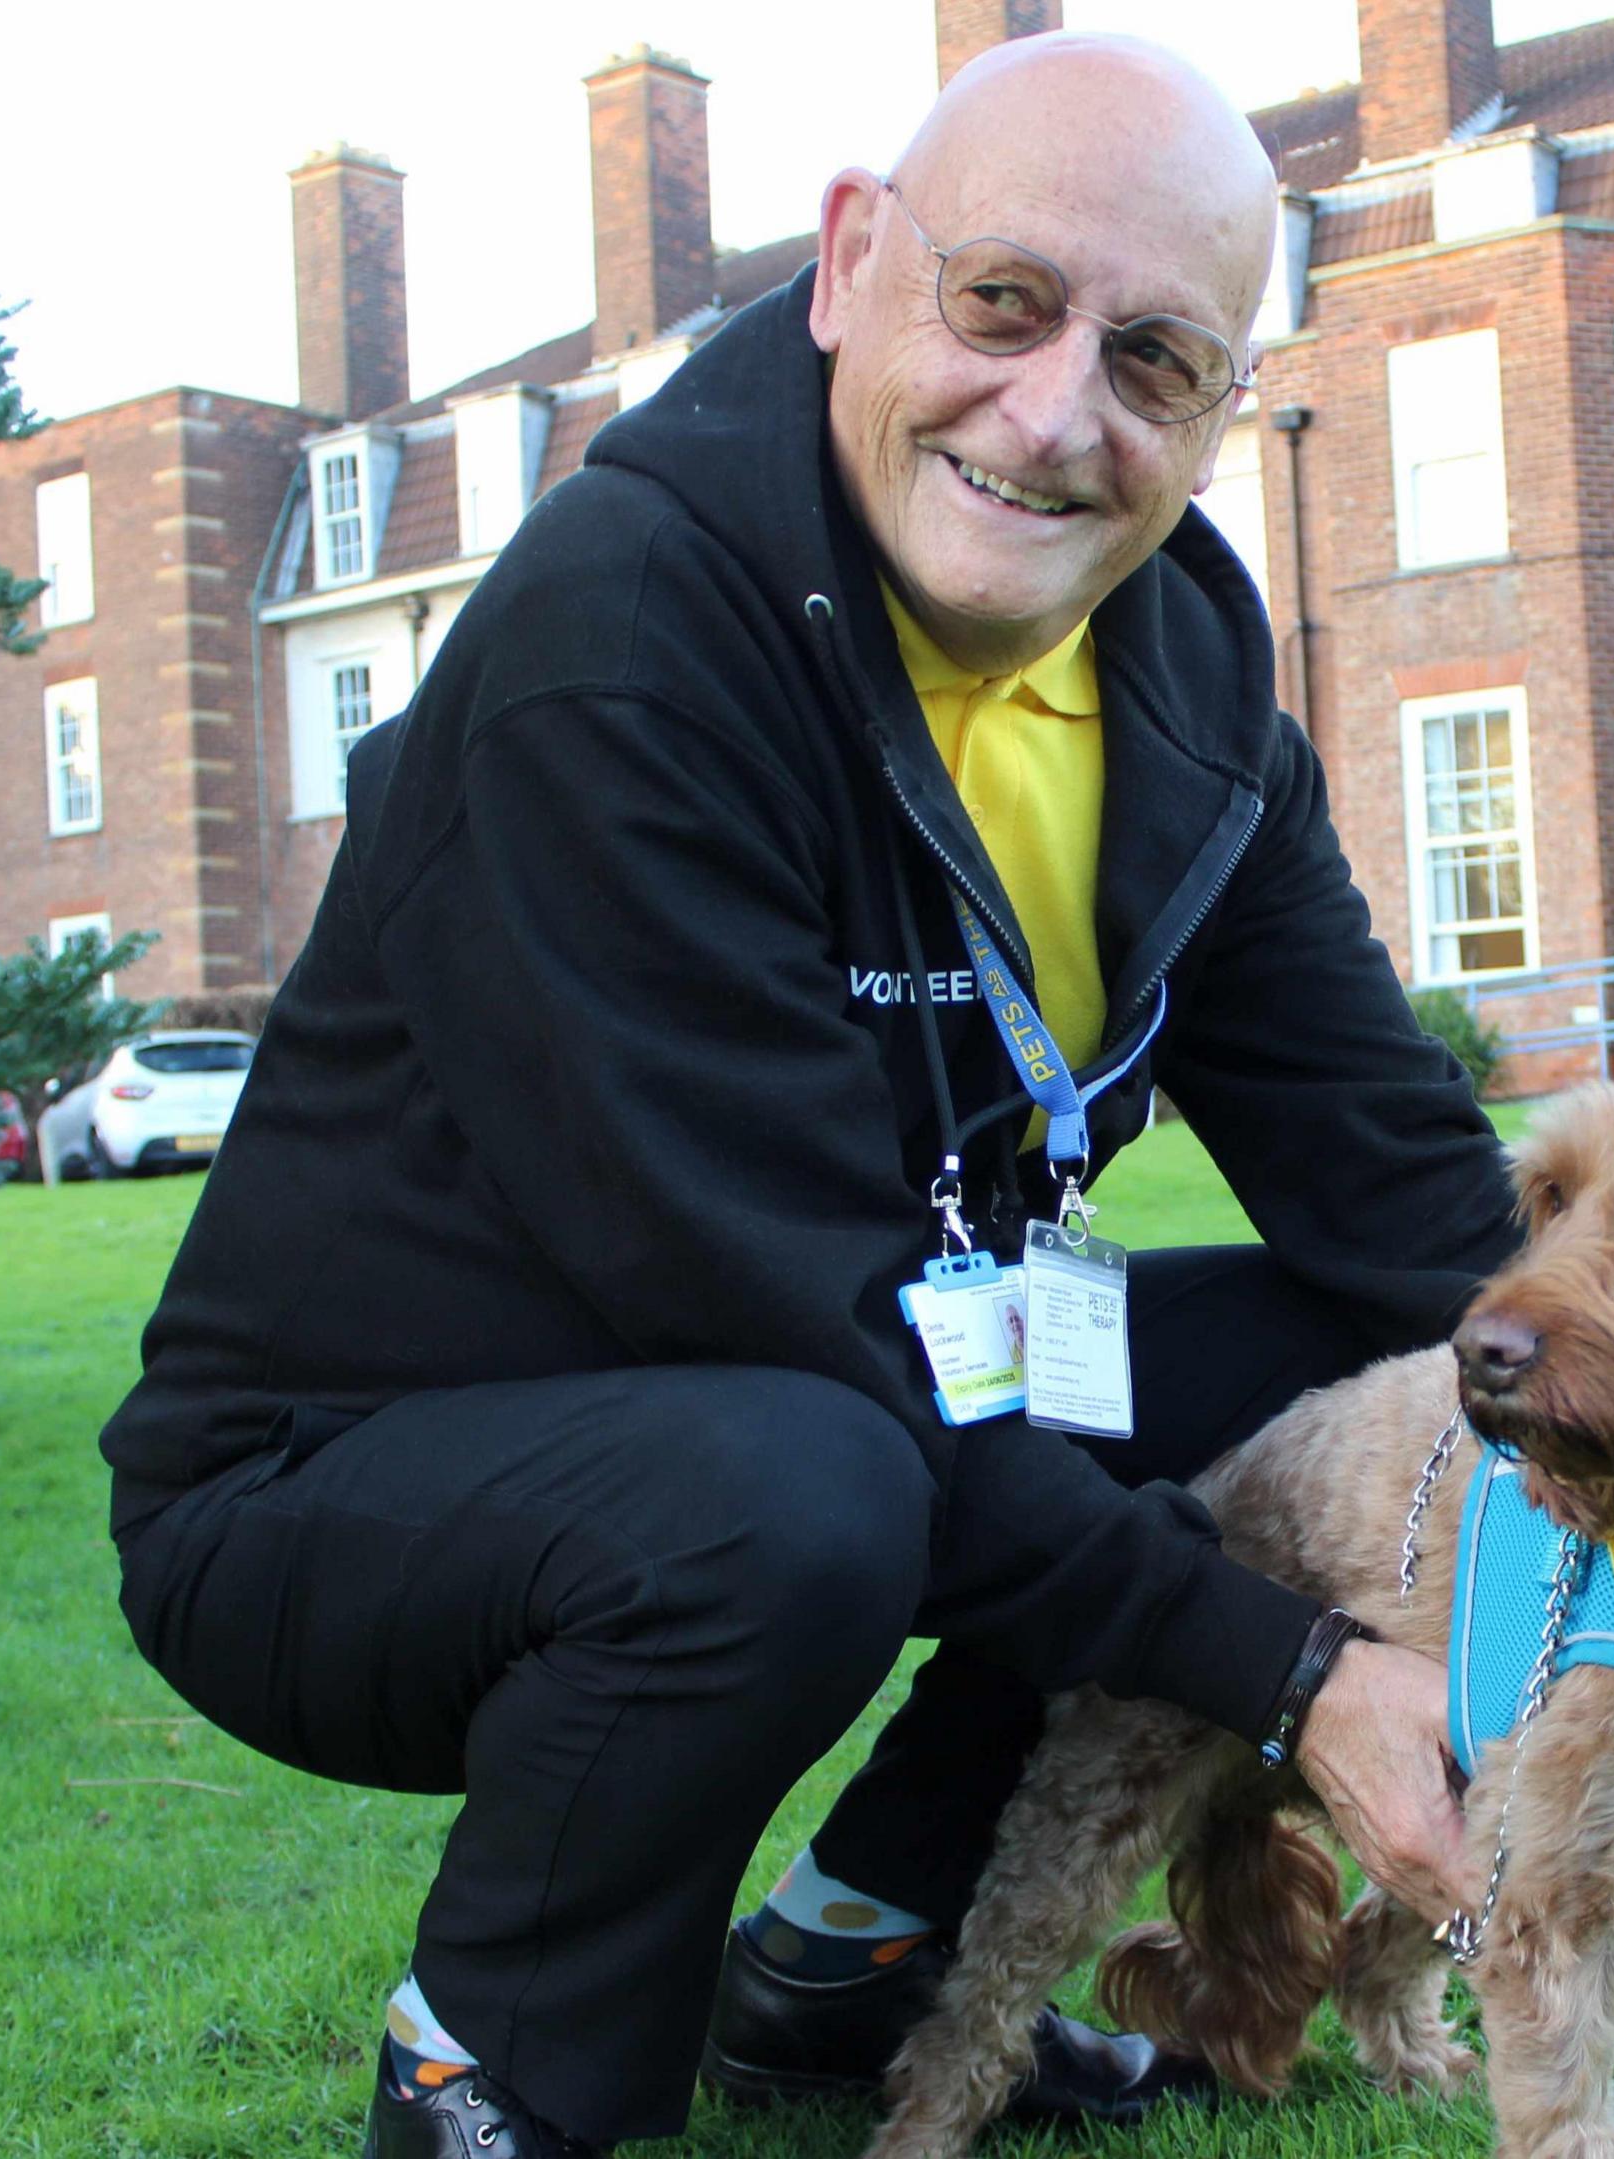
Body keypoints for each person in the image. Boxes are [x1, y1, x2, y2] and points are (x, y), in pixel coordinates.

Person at [99, 35, 1525, 2158]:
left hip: (864, 1363)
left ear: (1228, 407)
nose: (1058, 417)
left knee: (1417, 1347)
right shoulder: (624, 643)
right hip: (348, 1479)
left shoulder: (1192, 678)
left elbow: (1406, 1198)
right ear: (857, 259)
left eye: (1155, 360)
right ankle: (495, 2092)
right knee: (800, 1491)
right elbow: (825, 1336)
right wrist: (1307, 1676)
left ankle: (859, 1962)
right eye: (1004, 303)